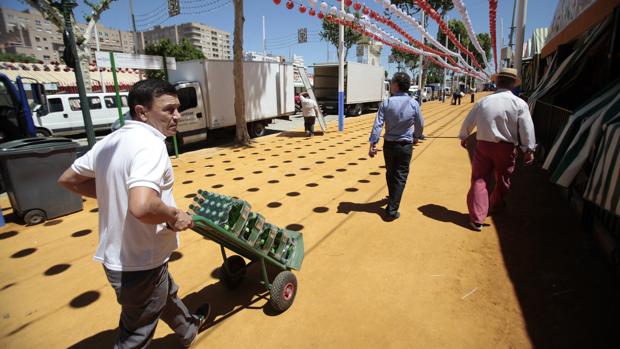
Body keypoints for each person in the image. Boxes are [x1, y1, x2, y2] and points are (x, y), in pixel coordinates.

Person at [58, 79, 209, 348]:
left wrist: (111, 194)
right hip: (140, 260)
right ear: (142, 112)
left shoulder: (112, 141)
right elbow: (142, 205)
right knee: (136, 334)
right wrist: (174, 215)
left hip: (123, 255)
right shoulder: (151, 145)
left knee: (164, 292)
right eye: (169, 109)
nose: (177, 115)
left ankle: (188, 329)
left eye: (178, 108)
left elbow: (69, 179)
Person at [458, 68, 536, 231]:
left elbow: (468, 122)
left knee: (479, 179)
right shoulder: (519, 103)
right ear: (513, 84)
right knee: (503, 179)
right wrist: (528, 149)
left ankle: (477, 218)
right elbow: (526, 128)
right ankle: (496, 204)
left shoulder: (484, 102)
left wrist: (464, 136)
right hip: (506, 148)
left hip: (483, 146)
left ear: (496, 82)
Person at [368, 72, 424, 221]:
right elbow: (420, 124)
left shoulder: (386, 103)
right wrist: (416, 136)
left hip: (389, 145)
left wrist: (373, 143)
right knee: (400, 176)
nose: (391, 85)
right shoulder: (414, 103)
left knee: (390, 173)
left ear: (397, 85)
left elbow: (378, 124)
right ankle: (391, 210)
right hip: (405, 145)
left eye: (392, 83)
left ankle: (392, 199)